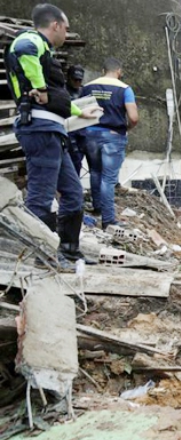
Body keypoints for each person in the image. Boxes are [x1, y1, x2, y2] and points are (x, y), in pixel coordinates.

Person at [5, 4, 102, 270]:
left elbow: (57, 100)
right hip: (39, 130)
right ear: (56, 25)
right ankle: (42, 256)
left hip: (53, 132)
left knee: (72, 193)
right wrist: (38, 87)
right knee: (41, 196)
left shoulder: (44, 51)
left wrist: (81, 113)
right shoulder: (30, 40)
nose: (66, 33)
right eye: (66, 28)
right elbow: (24, 52)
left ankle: (69, 250)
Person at [79, 57, 139, 229]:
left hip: (90, 134)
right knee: (108, 178)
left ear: (103, 70)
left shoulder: (88, 87)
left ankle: (98, 207)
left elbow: (80, 111)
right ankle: (108, 219)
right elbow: (133, 117)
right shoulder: (125, 89)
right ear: (119, 71)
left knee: (95, 172)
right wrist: (126, 128)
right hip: (113, 136)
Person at [65, 65, 86, 175]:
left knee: (78, 161)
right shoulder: (62, 90)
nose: (77, 82)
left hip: (82, 130)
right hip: (68, 130)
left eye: (79, 80)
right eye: (75, 79)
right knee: (73, 160)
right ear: (68, 77)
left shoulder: (84, 90)